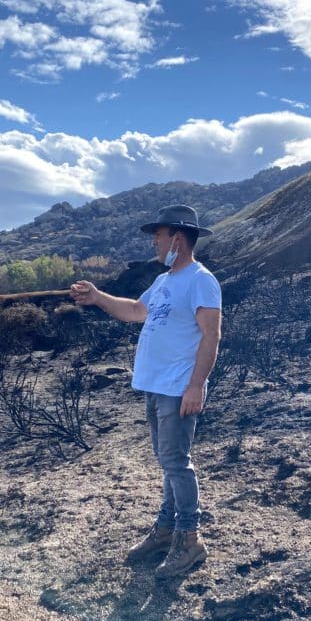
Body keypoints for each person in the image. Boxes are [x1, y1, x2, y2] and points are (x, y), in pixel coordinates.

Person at [71, 204, 222, 577]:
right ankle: (167, 528)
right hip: (155, 387)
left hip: (177, 388)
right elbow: (136, 311)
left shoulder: (201, 280)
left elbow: (211, 334)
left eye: (159, 234)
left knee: (176, 463)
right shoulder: (165, 281)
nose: (154, 241)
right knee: (167, 462)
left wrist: (196, 385)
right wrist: (97, 297)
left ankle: (189, 539)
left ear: (179, 237)